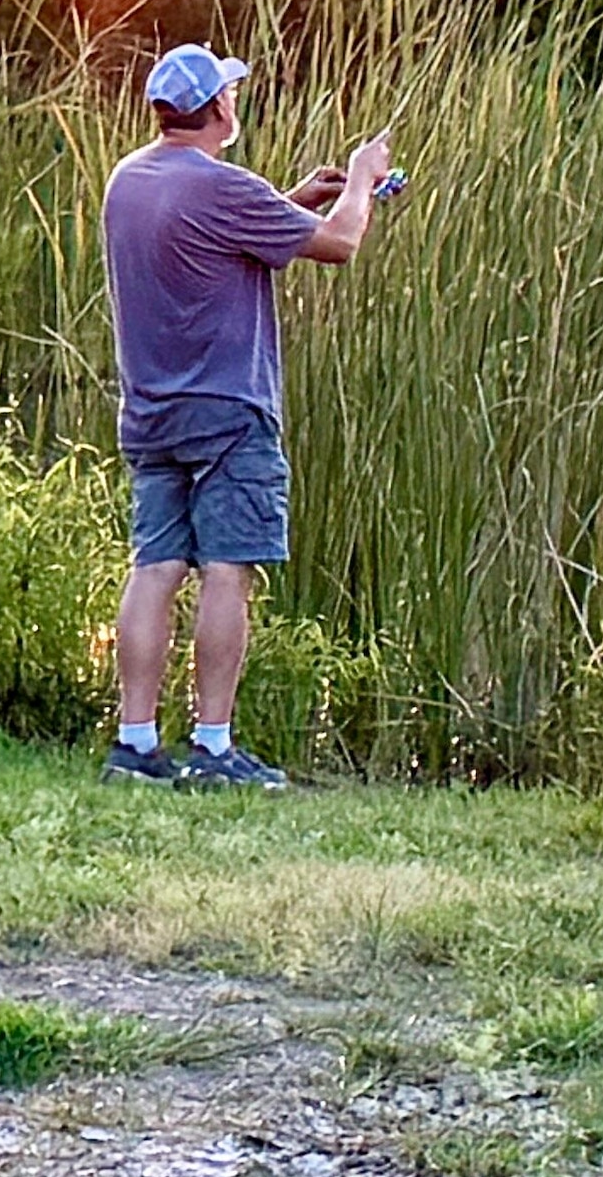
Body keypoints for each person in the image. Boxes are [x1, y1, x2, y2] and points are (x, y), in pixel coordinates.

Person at [100, 42, 392, 787]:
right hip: (230, 411)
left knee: (156, 567)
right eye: (230, 92)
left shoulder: (128, 183)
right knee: (229, 571)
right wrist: (362, 181)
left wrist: (288, 202)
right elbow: (341, 244)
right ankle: (214, 747)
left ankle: (135, 745)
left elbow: (214, 236)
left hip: (152, 413)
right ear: (219, 109)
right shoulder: (225, 187)